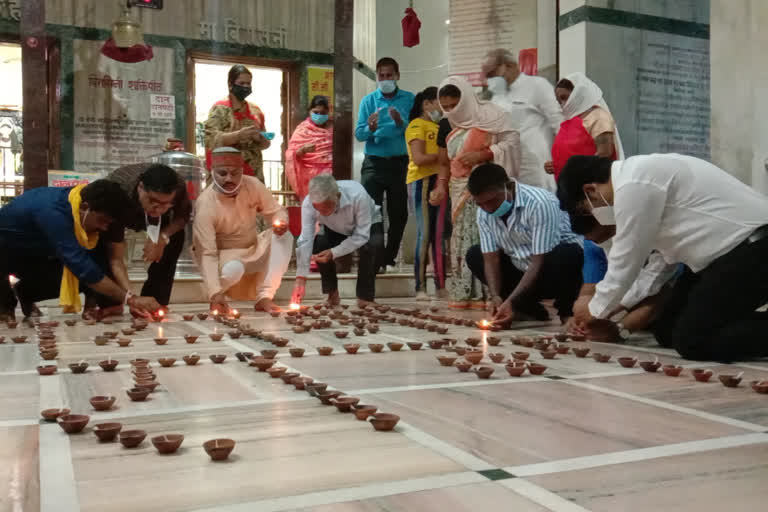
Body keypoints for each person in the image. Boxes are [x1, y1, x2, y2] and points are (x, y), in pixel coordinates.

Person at [557, 154, 768, 361]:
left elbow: (626, 261)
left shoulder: (635, 183)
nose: (593, 217)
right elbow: (659, 268)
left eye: (585, 210)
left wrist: (594, 309)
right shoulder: (640, 182)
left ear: (590, 190)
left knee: (693, 341)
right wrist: (613, 314)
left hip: (754, 248)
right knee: (668, 329)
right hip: (721, 257)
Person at [0, 180, 162, 321]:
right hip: (7, 251)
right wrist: (131, 300)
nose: (104, 227)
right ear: (85, 208)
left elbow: (102, 264)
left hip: (35, 251)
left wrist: (120, 298)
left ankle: (26, 292)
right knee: (80, 266)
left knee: (93, 256)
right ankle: (5, 306)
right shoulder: (53, 213)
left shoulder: (77, 202)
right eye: (102, 220)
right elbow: (83, 268)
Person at [431, 75, 521, 309]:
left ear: (466, 98)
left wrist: (485, 154)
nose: (451, 111)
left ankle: (493, 292)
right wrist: (440, 185)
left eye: (455, 104)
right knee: (461, 238)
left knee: (487, 237)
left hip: (488, 188)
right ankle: (464, 292)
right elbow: (443, 163)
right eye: (446, 107)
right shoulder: (445, 125)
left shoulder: (491, 116)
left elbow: (511, 142)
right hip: (458, 188)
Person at [465, 163, 583, 326]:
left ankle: (566, 310)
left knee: (568, 253)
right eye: (481, 204)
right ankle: (527, 309)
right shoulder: (484, 213)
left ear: (509, 187)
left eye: (492, 201)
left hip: (550, 271)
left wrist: (511, 300)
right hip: (521, 270)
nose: (488, 209)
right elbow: (491, 259)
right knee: (474, 254)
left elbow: (538, 260)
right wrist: (496, 296)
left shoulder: (539, 203)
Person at [83, 163, 192, 320]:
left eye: (165, 204)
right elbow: (116, 259)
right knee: (101, 245)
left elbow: (183, 217)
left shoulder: (178, 187)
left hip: (157, 220)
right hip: (120, 208)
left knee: (176, 237)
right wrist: (131, 298)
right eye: (153, 200)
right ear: (141, 188)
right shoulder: (118, 191)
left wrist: (162, 237)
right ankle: (108, 303)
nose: (158, 208)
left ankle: (155, 300)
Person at [193, 147, 292, 313]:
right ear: (212, 173)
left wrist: (280, 221)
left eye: (234, 173)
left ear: (241, 172)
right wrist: (214, 293)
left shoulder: (252, 184)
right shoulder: (205, 204)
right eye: (222, 173)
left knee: (284, 237)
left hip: (254, 248)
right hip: (225, 256)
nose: (229, 179)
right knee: (233, 270)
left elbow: (276, 210)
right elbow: (207, 253)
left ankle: (265, 297)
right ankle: (218, 298)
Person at [572, 214, 679, 342]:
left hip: (668, 286)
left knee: (668, 335)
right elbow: (591, 287)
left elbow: (655, 282)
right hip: (629, 292)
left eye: (606, 235)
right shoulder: (593, 241)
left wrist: (622, 329)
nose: (603, 242)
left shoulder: (659, 231)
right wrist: (581, 316)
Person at [354, 57, 415, 273]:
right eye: (382, 76)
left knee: (399, 213)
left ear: (397, 76)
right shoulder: (368, 101)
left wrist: (401, 122)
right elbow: (359, 134)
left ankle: (389, 258)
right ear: (377, 77)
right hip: (374, 162)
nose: (386, 79)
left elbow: (414, 131)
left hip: (400, 162)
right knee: (371, 211)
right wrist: (370, 128)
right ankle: (375, 258)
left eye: (390, 75)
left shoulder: (409, 99)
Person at [291, 174, 384, 308]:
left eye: (327, 207)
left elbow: (362, 235)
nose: (322, 212)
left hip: (367, 224)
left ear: (338, 197)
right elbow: (306, 239)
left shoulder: (358, 195)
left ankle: (365, 297)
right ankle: (332, 294)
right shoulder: (309, 204)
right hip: (334, 227)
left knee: (374, 245)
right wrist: (300, 278)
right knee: (320, 244)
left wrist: (334, 252)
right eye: (318, 208)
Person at [482, 48, 562, 191]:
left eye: (492, 74)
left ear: (509, 66)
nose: (489, 80)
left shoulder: (537, 85)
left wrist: (563, 157)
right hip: (508, 164)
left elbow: (558, 121)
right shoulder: (497, 97)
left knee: (541, 203)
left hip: (537, 163)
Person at [405, 86, 449, 301]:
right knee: (425, 235)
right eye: (439, 103)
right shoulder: (416, 125)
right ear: (427, 104)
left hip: (440, 181)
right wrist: (443, 156)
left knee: (439, 236)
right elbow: (419, 158)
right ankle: (420, 286)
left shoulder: (441, 126)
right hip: (422, 181)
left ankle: (441, 286)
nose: (442, 108)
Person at [546, 72, 624, 180]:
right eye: (559, 101)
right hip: (569, 188)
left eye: (564, 98)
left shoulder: (598, 116)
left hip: (590, 187)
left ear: (578, 93)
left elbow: (604, 154)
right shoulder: (568, 122)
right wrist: (555, 165)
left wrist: (575, 170)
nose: (563, 105)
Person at [204, 64, 271, 182]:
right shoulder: (219, 108)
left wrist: (260, 138)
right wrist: (237, 135)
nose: (246, 87)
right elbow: (210, 139)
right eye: (241, 83)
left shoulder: (256, 110)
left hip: (253, 176)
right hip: (226, 175)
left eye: (248, 83)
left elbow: (266, 144)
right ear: (230, 85)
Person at [285, 95, 334, 201]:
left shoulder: (334, 128)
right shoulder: (303, 130)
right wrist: (302, 150)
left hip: (332, 177)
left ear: (328, 113)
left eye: (323, 113)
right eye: (316, 112)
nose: (319, 115)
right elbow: (291, 154)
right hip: (309, 178)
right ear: (309, 111)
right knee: (312, 209)